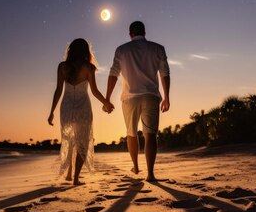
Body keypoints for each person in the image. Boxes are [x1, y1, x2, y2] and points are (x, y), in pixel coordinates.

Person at [105, 21, 170, 181]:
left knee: (131, 134)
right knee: (151, 135)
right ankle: (150, 174)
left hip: (130, 98)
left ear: (130, 34)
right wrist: (167, 97)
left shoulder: (121, 50)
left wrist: (107, 98)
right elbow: (165, 74)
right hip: (151, 96)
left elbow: (113, 74)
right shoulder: (158, 48)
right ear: (145, 33)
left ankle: (135, 166)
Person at [48, 38, 113, 185]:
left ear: (70, 50)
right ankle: (76, 177)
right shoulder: (89, 67)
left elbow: (58, 90)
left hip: (67, 107)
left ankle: (69, 174)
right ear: (86, 51)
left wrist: (52, 111)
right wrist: (106, 103)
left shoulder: (62, 66)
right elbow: (95, 91)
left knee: (69, 139)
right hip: (83, 106)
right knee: (82, 141)